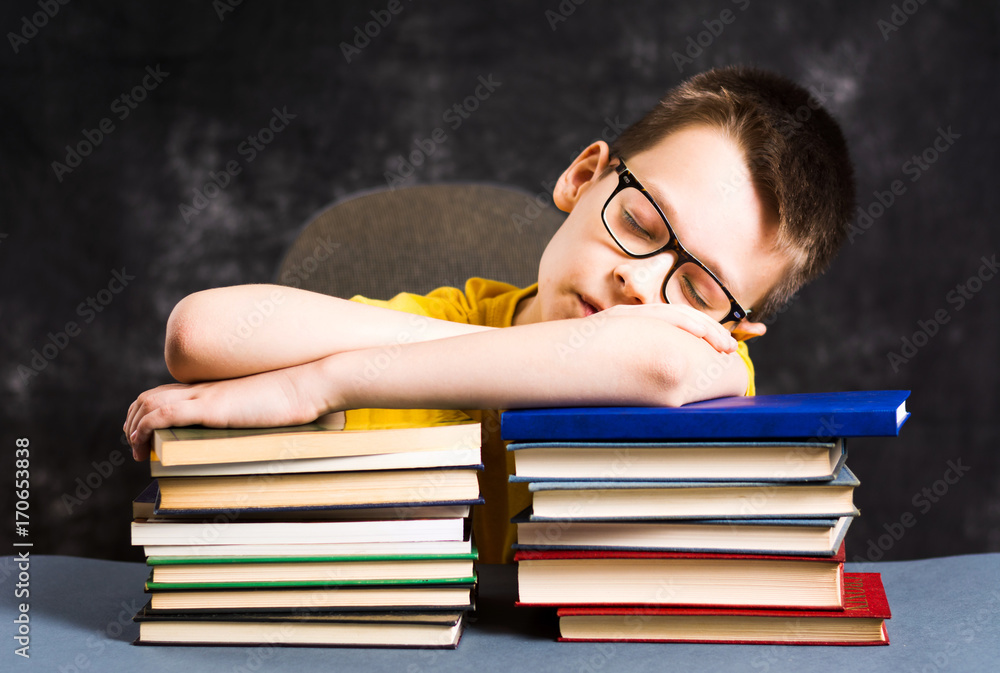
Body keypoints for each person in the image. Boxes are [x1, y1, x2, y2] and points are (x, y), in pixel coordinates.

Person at [124, 65, 855, 562]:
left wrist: (321, 383)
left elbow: (661, 360)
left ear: (734, 327)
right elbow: (201, 333)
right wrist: (471, 351)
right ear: (584, 176)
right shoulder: (456, 319)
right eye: (639, 221)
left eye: (696, 290)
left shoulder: (712, 364)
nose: (641, 284)